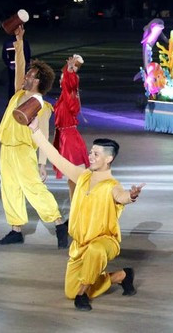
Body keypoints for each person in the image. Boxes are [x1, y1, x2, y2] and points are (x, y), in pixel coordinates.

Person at [28, 119, 142, 311]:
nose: (90, 156)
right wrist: (36, 130)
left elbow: (121, 196)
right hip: (80, 244)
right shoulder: (82, 176)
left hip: (105, 242)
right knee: (69, 292)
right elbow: (56, 158)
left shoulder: (112, 185)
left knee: (94, 253)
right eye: (91, 152)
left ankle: (82, 295)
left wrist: (131, 196)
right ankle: (122, 276)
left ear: (108, 159)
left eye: (96, 154)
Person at [0, 25, 67, 248]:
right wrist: (19, 41)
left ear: (37, 81)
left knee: (33, 189)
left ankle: (59, 223)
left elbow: (43, 134)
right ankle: (15, 229)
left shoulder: (41, 106)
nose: (26, 76)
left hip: (24, 151)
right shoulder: (19, 92)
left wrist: (42, 164)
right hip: (7, 149)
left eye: (30, 75)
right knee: (10, 189)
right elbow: (19, 66)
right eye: (27, 74)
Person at [53, 56, 90, 200]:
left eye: (63, 79)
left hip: (70, 140)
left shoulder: (70, 95)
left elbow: (69, 83)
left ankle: (80, 207)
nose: (61, 80)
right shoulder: (65, 96)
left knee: (77, 178)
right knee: (73, 180)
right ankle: (76, 208)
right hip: (66, 137)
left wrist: (69, 71)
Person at [2, 34, 31, 99]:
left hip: (12, 67)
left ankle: (12, 98)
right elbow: (27, 54)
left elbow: (4, 55)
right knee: (21, 83)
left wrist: (9, 64)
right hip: (20, 67)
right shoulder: (24, 42)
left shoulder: (8, 42)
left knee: (12, 84)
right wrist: (26, 64)